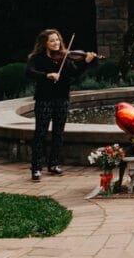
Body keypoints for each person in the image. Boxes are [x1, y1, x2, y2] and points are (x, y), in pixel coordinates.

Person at [25, 29, 97, 182]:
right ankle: (36, 168)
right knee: (41, 133)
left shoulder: (66, 57)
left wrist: (85, 62)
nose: (56, 43)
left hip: (62, 98)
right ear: (45, 43)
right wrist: (46, 75)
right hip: (44, 99)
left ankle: (54, 164)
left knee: (59, 132)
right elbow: (29, 72)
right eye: (52, 41)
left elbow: (74, 74)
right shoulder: (37, 58)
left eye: (57, 40)